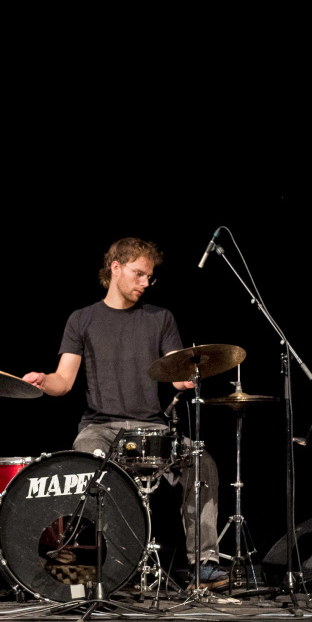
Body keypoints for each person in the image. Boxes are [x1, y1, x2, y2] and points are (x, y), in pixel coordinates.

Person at [22, 238, 225, 586]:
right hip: (100, 426)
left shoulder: (160, 318)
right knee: (83, 459)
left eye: (150, 277)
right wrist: (43, 381)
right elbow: (64, 381)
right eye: (138, 274)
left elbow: (176, 375)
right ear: (115, 268)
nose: (145, 283)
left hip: (152, 428)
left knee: (201, 461)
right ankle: (86, 565)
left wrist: (189, 377)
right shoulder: (82, 319)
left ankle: (202, 561)